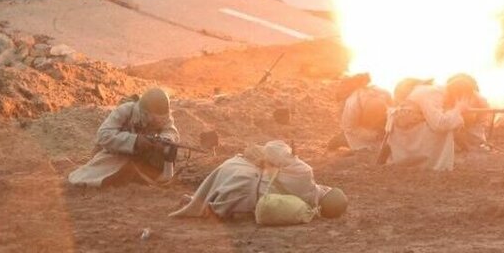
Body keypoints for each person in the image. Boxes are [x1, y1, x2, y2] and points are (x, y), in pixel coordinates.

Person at [169, 140, 347, 220]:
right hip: (245, 200)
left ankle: (197, 202)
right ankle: (208, 206)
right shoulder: (304, 210)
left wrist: (283, 150)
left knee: (234, 166)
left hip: (241, 177)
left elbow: (272, 149)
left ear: (327, 189)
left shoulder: (306, 173)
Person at [68, 87, 180, 187]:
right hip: (115, 154)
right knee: (97, 175)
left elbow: (170, 130)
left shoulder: (164, 118)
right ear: (144, 113)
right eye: (155, 119)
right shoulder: (125, 111)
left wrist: (165, 140)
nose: (159, 122)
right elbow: (103, 135)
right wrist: (135, 141)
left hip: (142, 158)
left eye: (162, 119)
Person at [381, 75, 478, 171]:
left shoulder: (437, 93)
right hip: (408, 132)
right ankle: (432, 164)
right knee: (446, 128)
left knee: (449, 122)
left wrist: (455, 112)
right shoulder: (433, 94)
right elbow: (439, 124)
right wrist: (458, 109)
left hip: (409, 128)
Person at [329, 73, 392, 152]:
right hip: (369, 133)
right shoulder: (380, 91)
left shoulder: (353, 101)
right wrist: (375, 135)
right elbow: (351, 128)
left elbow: (350, 128)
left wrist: (378, 133)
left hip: (378, 131)